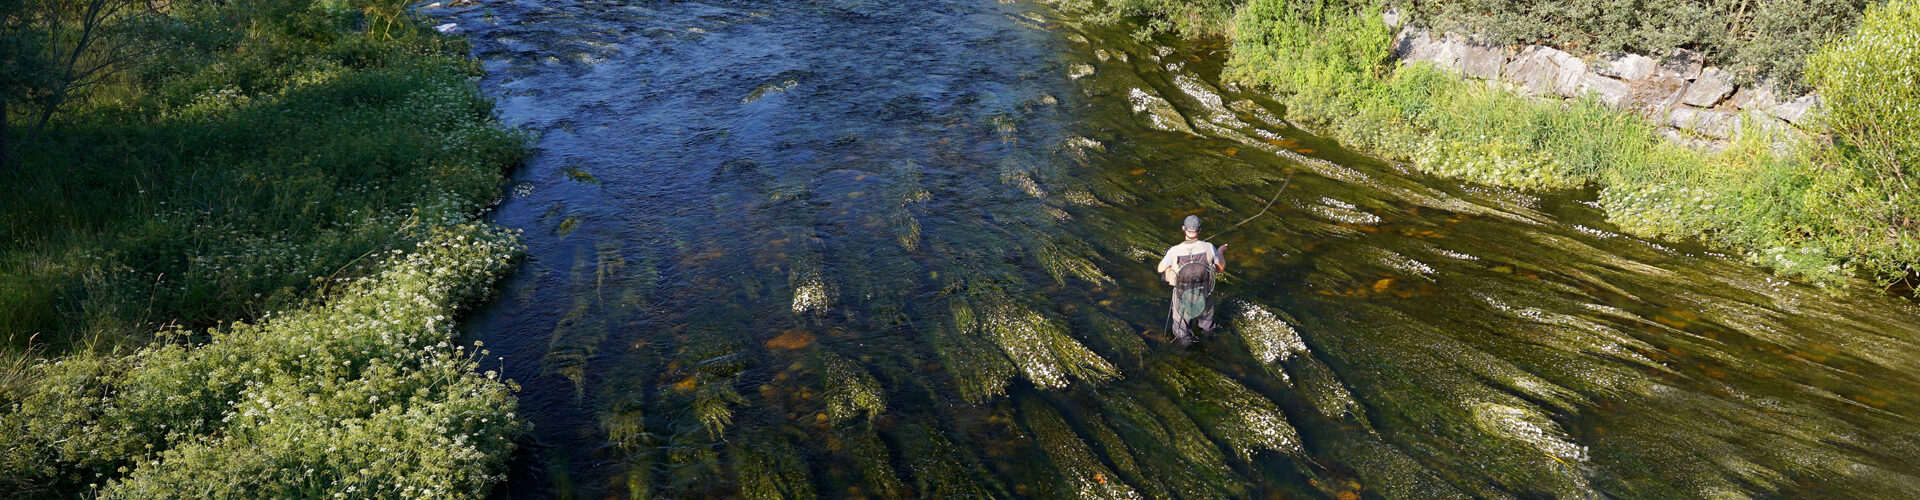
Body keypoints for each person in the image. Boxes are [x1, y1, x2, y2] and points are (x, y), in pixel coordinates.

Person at [1156, 215, 1224, 346]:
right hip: (1204, 293)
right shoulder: (1209, 247)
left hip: (1182, 294)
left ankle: (1186, 349)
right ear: (1200, 230)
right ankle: (1209, 342)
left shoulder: (1174, 250)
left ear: (1183, 229)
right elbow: (1220, 269)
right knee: (1208, 327)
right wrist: (1220, 251)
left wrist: (1169, 265)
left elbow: (1160, 269)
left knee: (1182, 333)